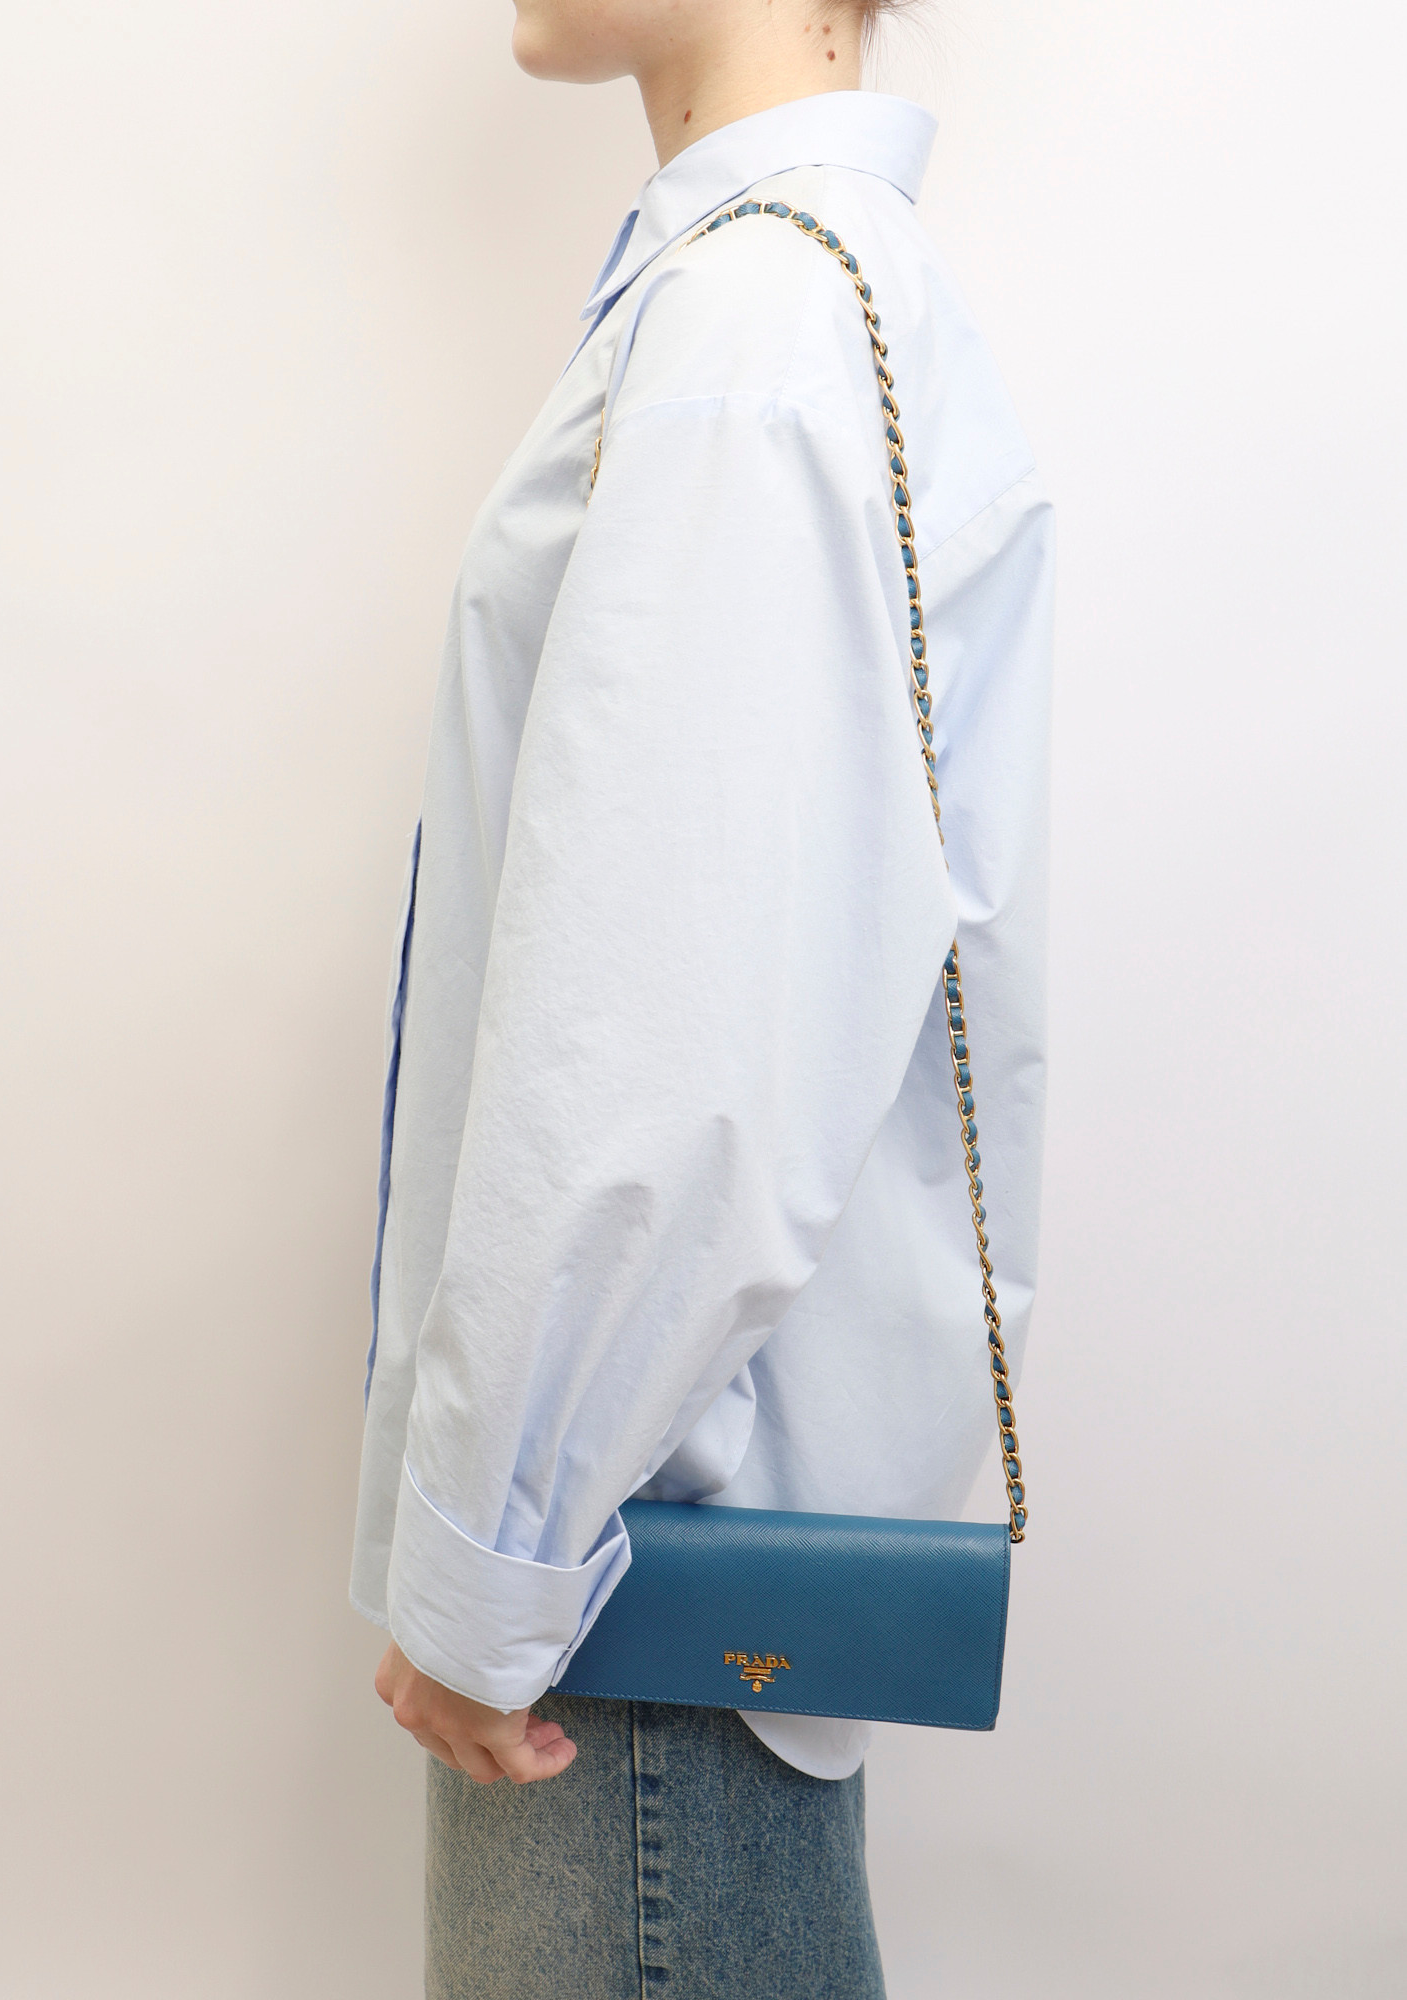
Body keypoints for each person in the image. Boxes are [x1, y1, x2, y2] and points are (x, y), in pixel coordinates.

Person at [353, 1, 1054, 1991]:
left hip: (623, 1613)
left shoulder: (757, 328)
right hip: (651, 1572)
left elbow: (663, 1049)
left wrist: (494, 1558)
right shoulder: (793, 299)